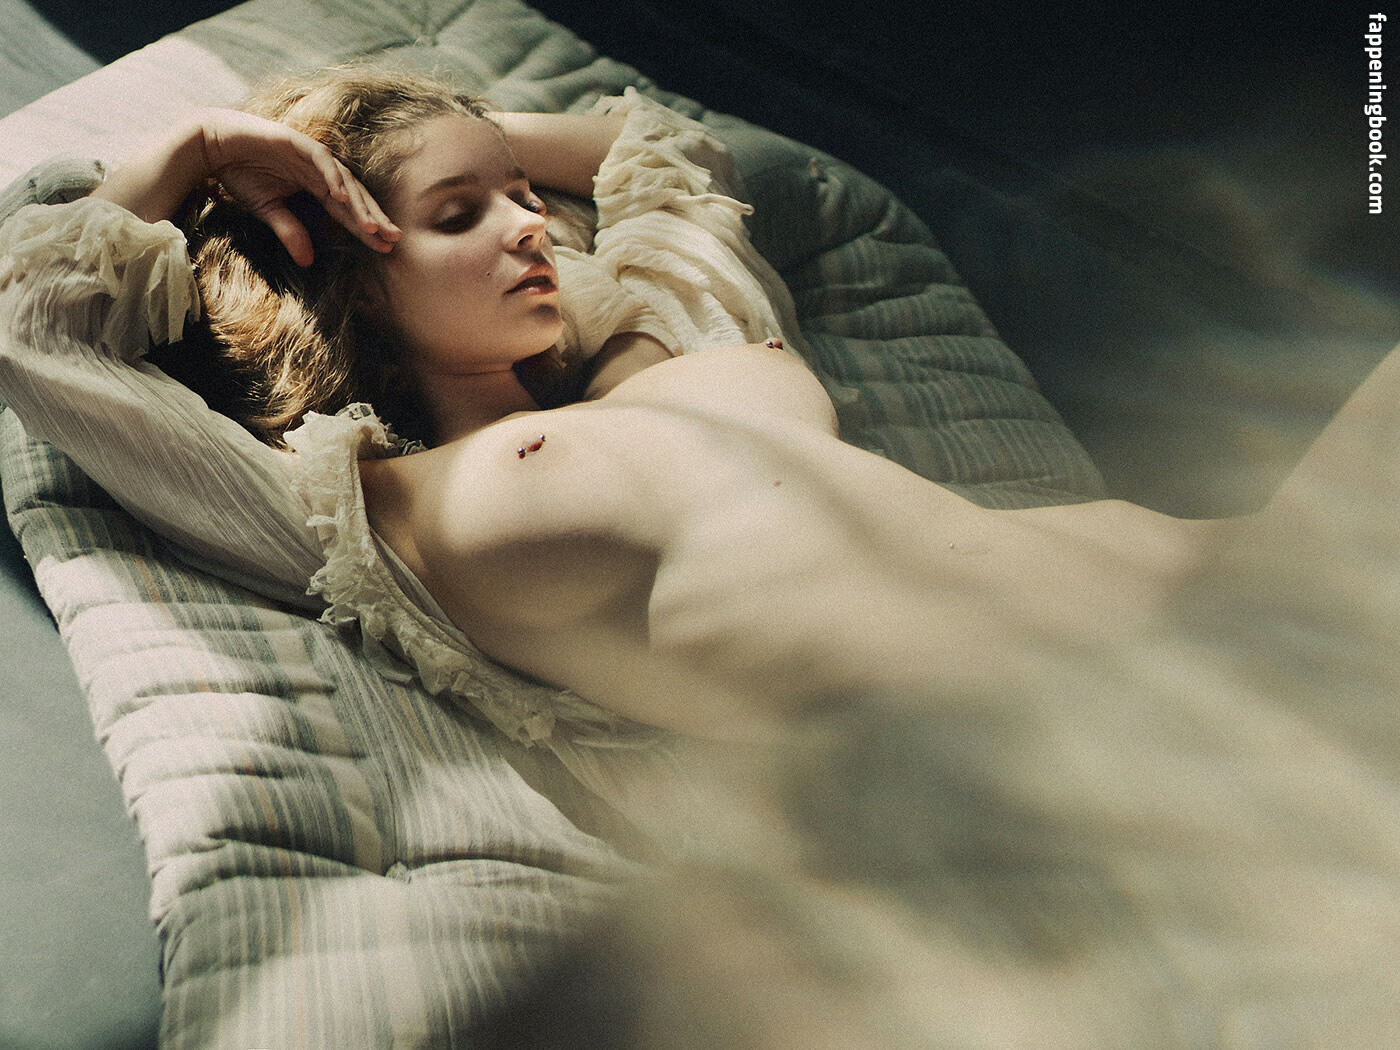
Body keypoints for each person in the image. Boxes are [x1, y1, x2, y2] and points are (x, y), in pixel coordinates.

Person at [3, 64, 1399, 1043]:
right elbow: (33, 323)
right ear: (341, 272)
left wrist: (464, 136)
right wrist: (209, 145)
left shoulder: (664, 340)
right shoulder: (364, 509)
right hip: (1094, 736)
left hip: (1244, 589)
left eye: (520, 197)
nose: (530, 225)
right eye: (459, 215)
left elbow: (657, 146)